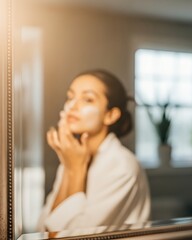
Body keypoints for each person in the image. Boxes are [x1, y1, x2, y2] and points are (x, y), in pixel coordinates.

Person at [37, 69, 150, 234]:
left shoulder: (122, 166)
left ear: (110, 115)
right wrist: (69, 167)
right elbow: (44, 228)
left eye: (87, 99)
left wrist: (75, 170)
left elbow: (72, 237)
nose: (72, 106)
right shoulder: (72, 156)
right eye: (70, 97)